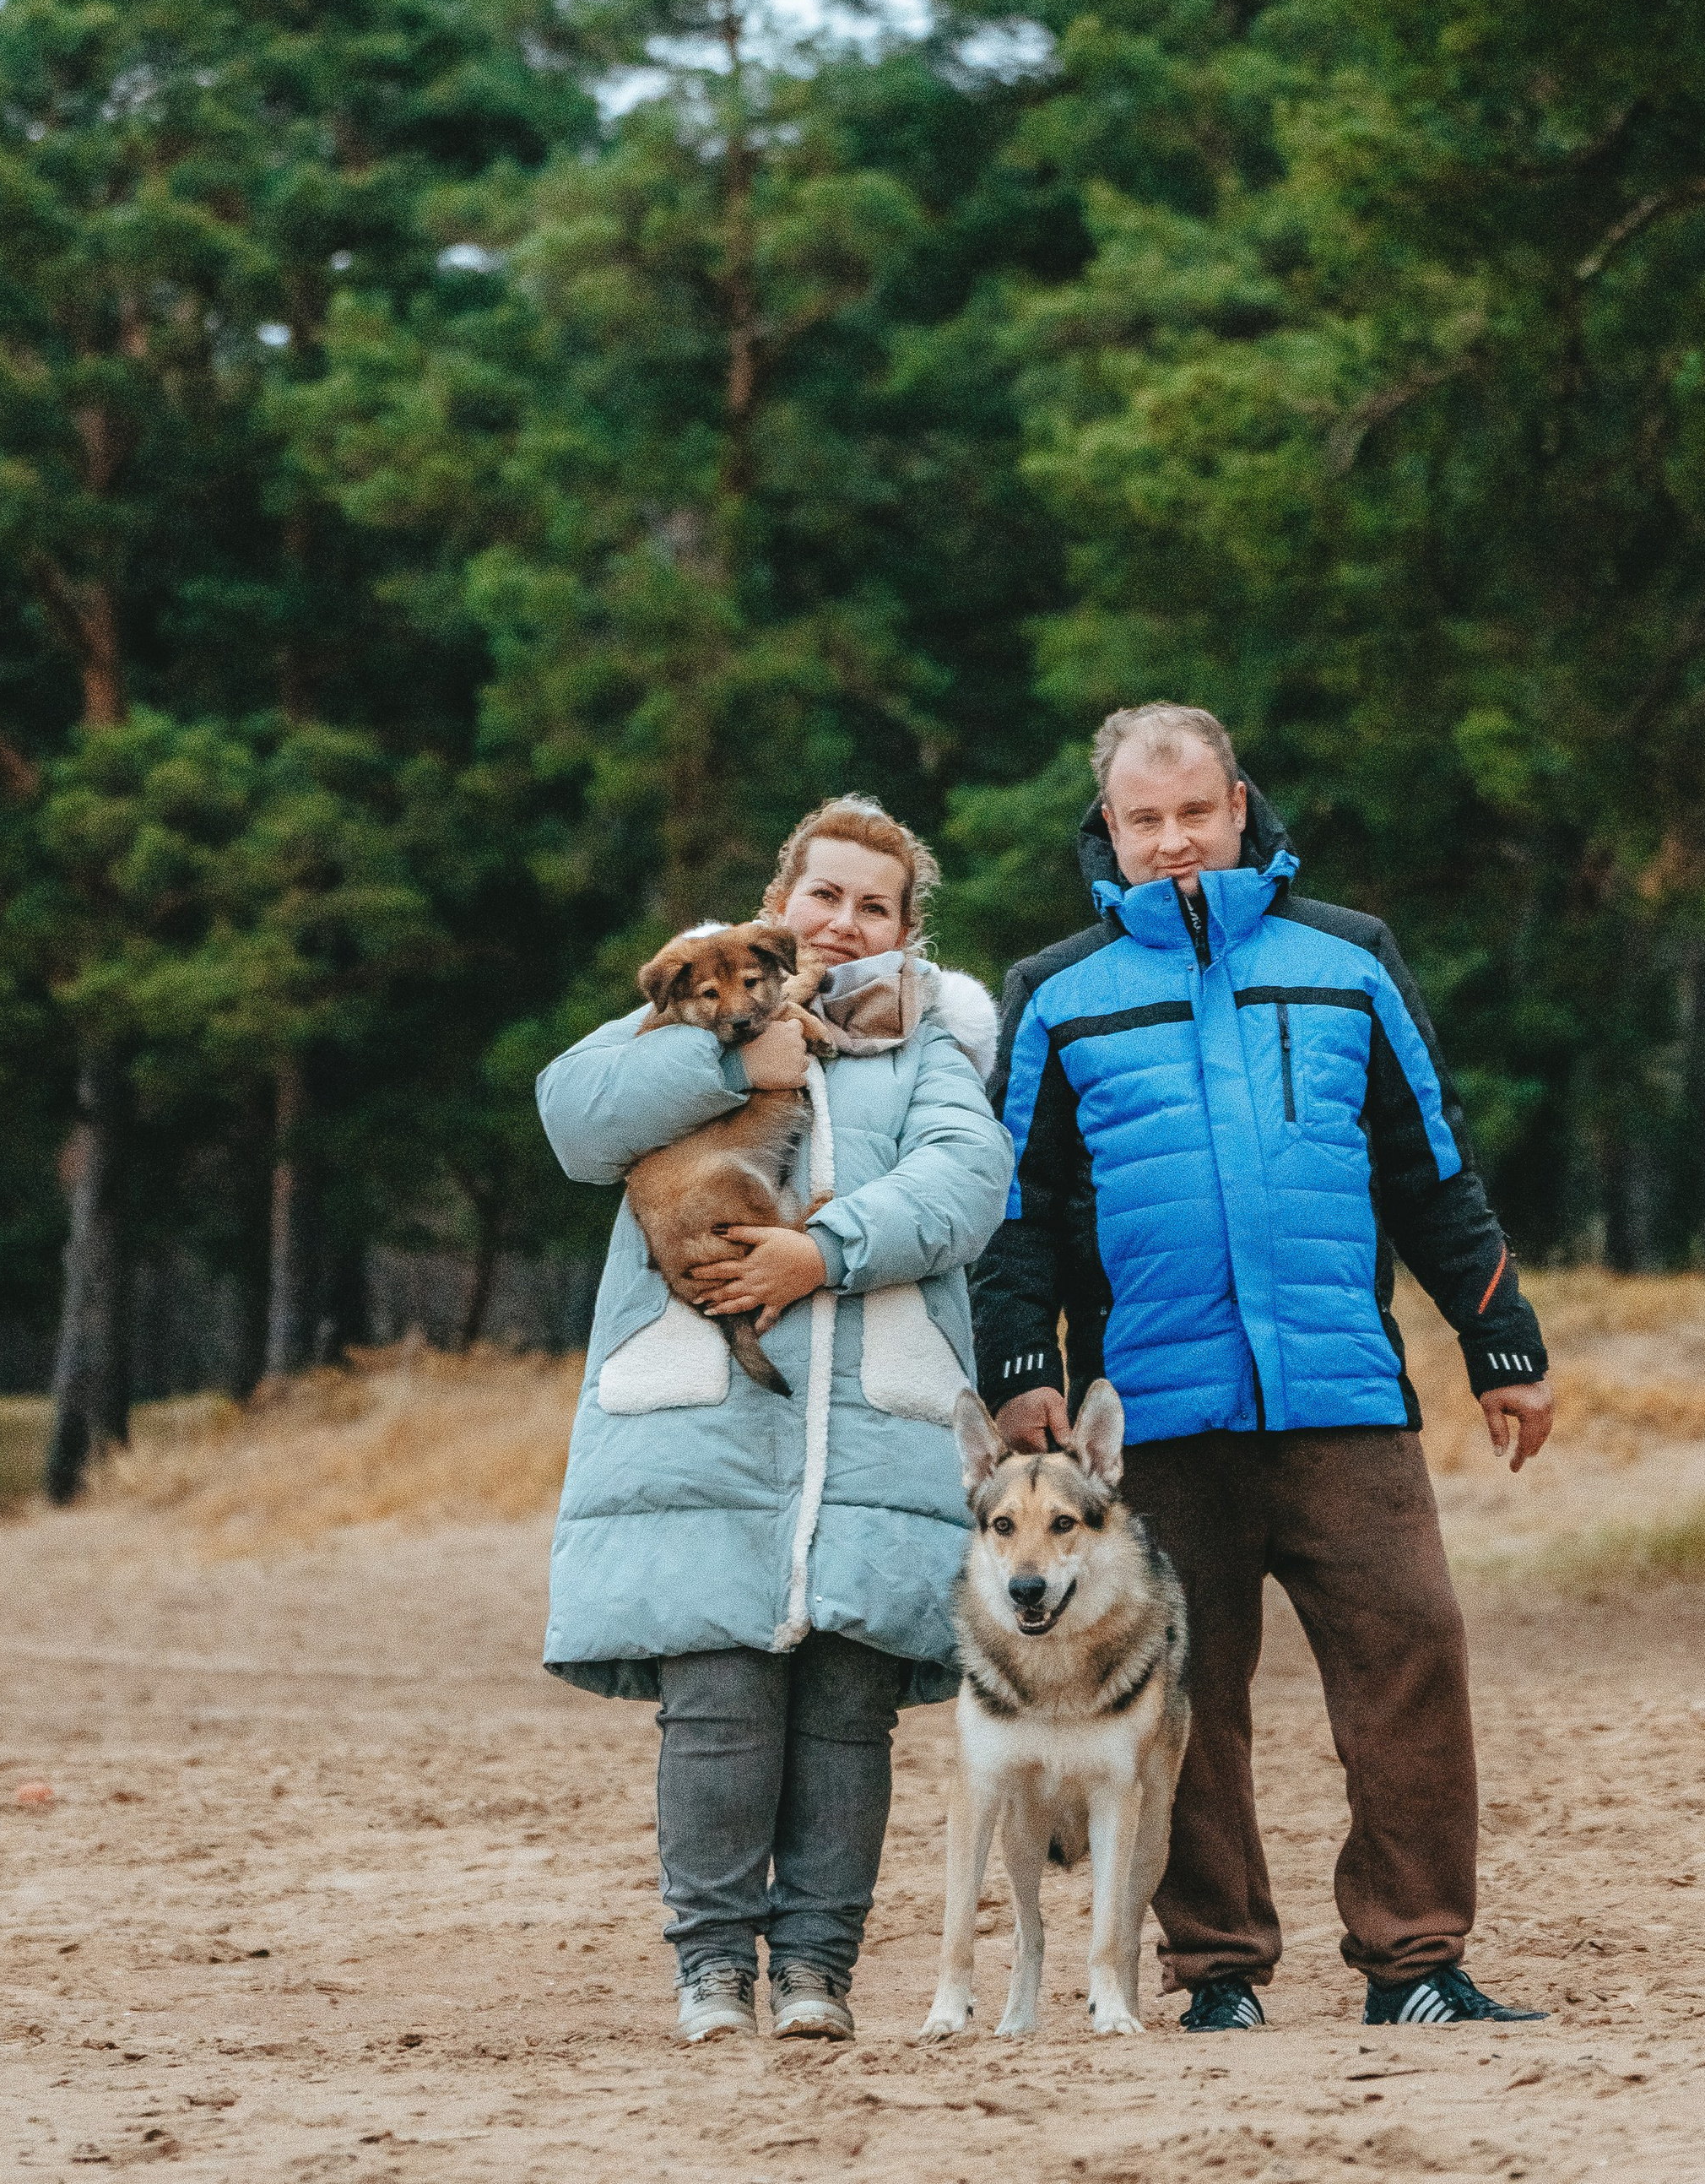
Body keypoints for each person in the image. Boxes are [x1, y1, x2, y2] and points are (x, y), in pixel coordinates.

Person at [969, 704, 1553, 2035]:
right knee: (1189, 1696)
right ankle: (1217, 1970)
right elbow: (1021, 1210)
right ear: (1108, 831)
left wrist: (1501, 1339)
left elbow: (1432, 1166)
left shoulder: (1348, 960)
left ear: (1240, 805)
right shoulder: (1054, 994)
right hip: (1156, 1417)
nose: (1174, 842)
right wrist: (1020, 1364)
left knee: (1413, 1655)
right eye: (1143, 820)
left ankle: (1416, 1962)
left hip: (1344, 1395)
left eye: (1194, 812)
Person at [537, 797, 1010, 2045]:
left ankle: (815, 1967)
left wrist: (824, 1251)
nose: (843, 922)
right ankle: (710, 1970)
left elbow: (969, 1185)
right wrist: (723, 1065)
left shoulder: (929, 1052)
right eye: (824, 895)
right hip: (702, 1429)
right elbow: (571, 1117)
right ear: (777, 903)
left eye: (874, 904)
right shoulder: (683, 1014)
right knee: (717, 1704)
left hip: (872, 1433)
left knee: (846, 1712)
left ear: (909, 928)